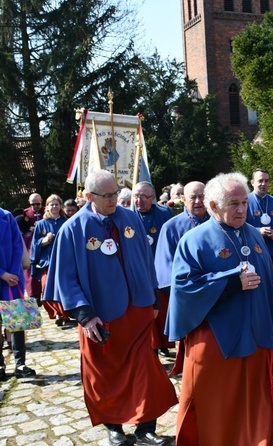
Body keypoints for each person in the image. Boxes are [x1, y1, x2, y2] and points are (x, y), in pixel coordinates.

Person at [43, 170, 177, 446]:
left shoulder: (130, 219)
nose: (115, 199)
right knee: (104, 375)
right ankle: (114, 428)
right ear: (89, 196)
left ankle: (145, 428)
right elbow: (65, 278)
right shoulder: (72, 230)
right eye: (108, 195)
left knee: (145, 370)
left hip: (137, 310)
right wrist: (85, 316)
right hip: (100, 317)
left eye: (116, 192)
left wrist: (152, 298)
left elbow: (145, 261)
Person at [166, 172, 273, 445]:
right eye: (234, 203)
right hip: (216, 343)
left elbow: (270, 283)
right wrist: (231, 283)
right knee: (217, 407)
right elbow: (185, 289)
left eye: (245, 202)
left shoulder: (255, 235)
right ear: (212, 206)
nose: (242, 209)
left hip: (257, 338)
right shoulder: (194, 240)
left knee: (255, 404)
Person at [153, 181, 209, 357]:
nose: (199, 201)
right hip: (186, 295)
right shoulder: (171, 227)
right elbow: (164, 266)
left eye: (202, 196)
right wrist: (187, 292)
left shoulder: (219, 222)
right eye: (193, 197)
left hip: (216, 292)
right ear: (184, 199)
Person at [0, 206, 37, 380]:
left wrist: (14, 273)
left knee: (17, 321)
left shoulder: (6, 216)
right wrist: (2, 274)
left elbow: (17, 246)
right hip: (4, 275)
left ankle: (20, 363)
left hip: (13, 279)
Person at [30, 194, 69, 326]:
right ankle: (55, 312)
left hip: (63, 262)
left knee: (62, 288)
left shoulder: (66, 222)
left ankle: (62, 314)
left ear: (60, 206)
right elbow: (34, 244)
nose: (54, 206)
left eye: (56, 204)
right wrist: (44, 241)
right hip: (47, 262)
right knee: (46, 288)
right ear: (47, 207)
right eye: (51, 204)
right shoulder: (41, 224)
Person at [132, 181, 173, 256]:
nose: (139, 201)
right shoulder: (128, 216)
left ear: (153, 197)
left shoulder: (164, 214)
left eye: (144, 197)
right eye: (136, 196)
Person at [23, 193, 43, 302]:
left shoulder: (46, 211)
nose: (35, 207)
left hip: (44, 246)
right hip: (30, 246)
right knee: (30, 270)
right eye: (33, 204)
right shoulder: (25, 213)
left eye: (38, 204)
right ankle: (33, 294)